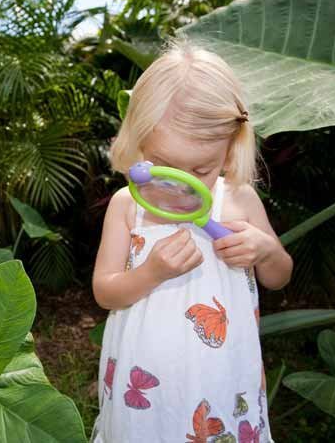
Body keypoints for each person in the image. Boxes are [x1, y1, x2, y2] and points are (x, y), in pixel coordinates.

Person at [90, 34, 293, 443]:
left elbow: (279, 276)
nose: (180, 187)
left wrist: (266, 249)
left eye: (199, 171)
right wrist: (150, 272)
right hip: (143, 380)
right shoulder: (127, 206)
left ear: (230, 147)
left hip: (220, 377)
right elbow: (105, 292)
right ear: (138, 140)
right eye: (164, 167)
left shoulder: (238, 200)